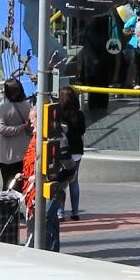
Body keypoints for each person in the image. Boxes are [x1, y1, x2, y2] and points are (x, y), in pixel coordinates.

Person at [0, 79, 32, 190]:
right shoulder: (28, 106)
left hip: (7, 153)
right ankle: (16, 206)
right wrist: (23, 127)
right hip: (23, 151)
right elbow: (30, 128)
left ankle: (7, 206)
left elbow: (0, 129)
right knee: (19, 183)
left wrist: (19, 128)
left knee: (8, 184)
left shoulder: (4, 108)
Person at [56, 86, 86, 220]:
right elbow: (82, 131)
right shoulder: (79, 114)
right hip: (77, 150)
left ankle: (60, 212)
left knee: (61, 181)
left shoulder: (58, 113)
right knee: (74, 181)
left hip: (63, 151)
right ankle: (75, 212)